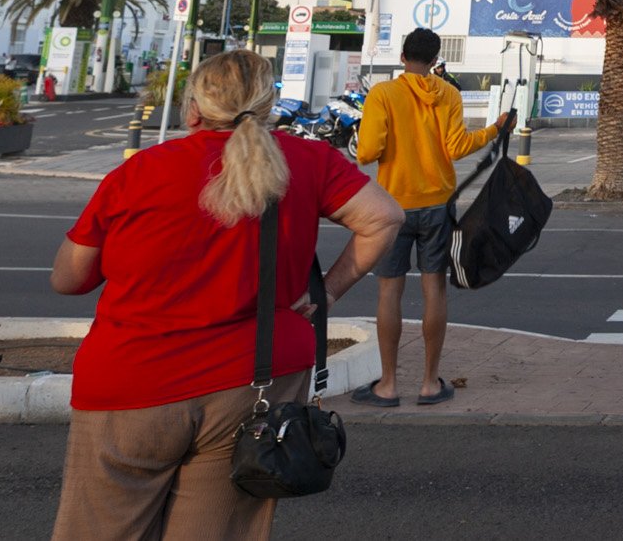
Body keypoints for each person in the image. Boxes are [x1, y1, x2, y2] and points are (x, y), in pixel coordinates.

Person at [49, 49, 403, 541]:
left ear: (193, 108)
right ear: (270, 105)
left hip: (133, 382)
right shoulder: (308, 161)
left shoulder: (140, 171)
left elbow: (69, 279)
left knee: (101, 529)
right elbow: (383, 217)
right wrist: (329, 293)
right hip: (255, 381)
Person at [351, 27, 515, 406]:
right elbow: (457, 147)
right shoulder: (449, 94)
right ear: (436, 59)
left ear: (403, 57)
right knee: (434, 290)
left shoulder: (384, 94)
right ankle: (428, 383)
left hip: (393, 206)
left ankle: (388, 385)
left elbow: (367, 151)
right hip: (439, 204)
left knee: (389, 290)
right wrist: (494, 129)